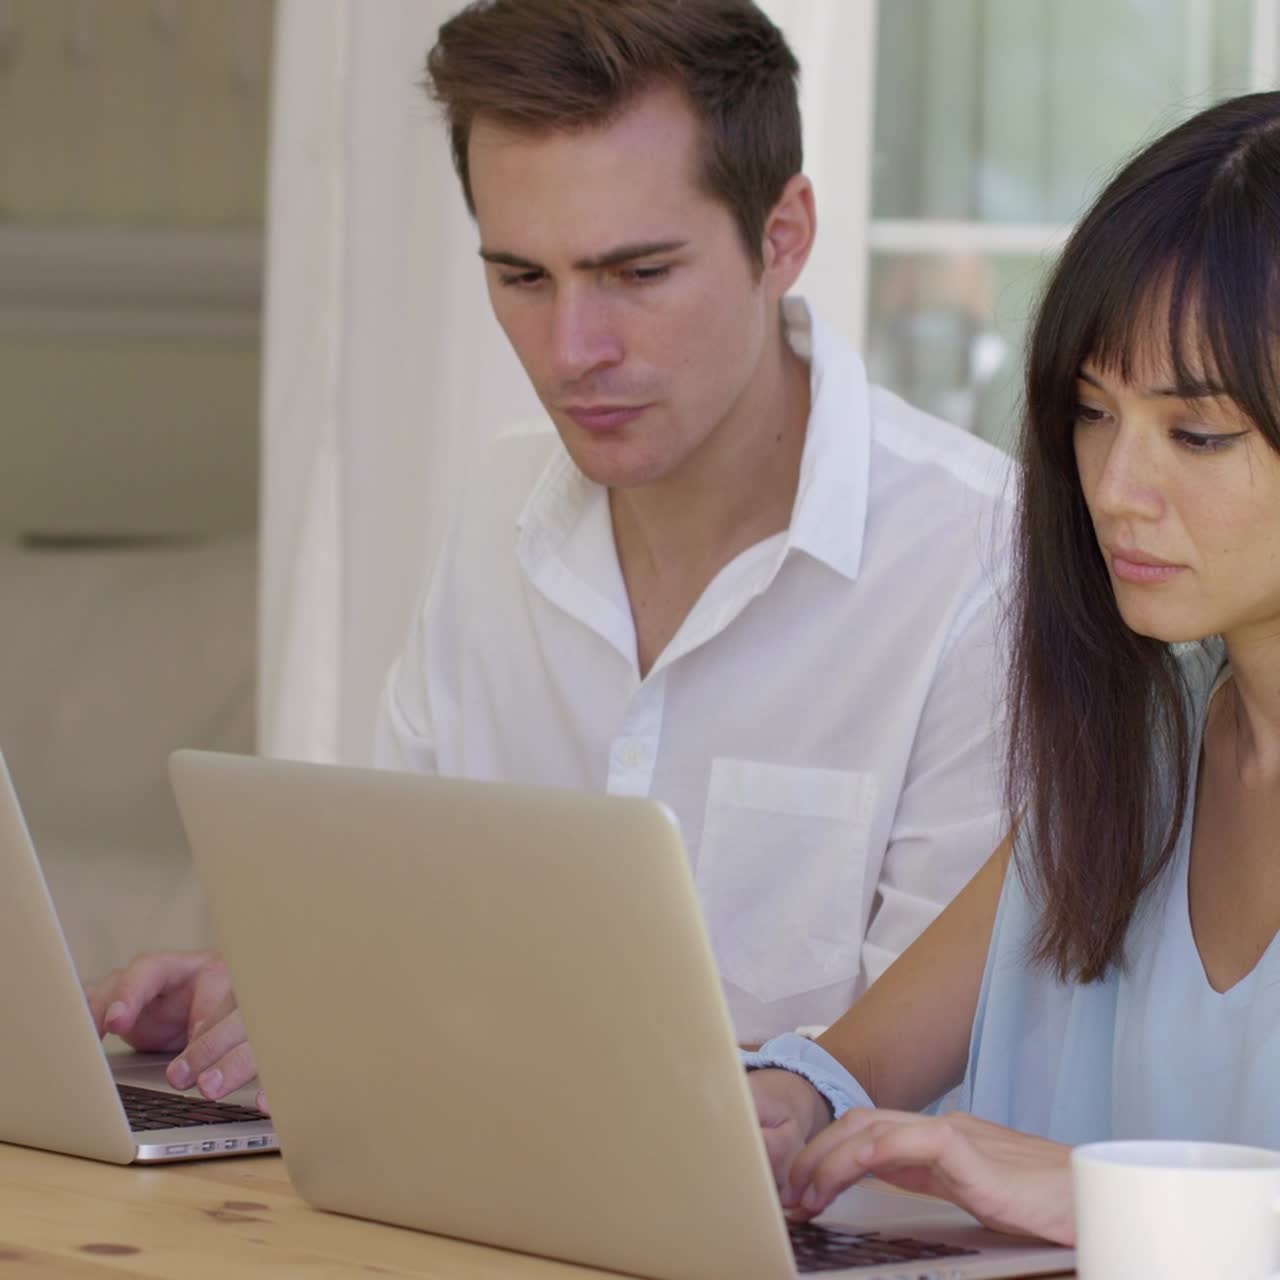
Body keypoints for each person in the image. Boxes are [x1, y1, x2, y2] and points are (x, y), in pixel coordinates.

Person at [87, 0, 1012, 1106]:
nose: (573, 351)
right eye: (522, 277)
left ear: (783, 237)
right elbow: (402, 927)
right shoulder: (493, 511)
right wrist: (293, 994)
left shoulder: (980, 562)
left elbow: (920, 1087)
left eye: (636, 273)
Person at [744, 88, 1280, 1246]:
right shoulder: (1140, 748)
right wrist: (771, 1108)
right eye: (1089, 413)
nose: (1112, 487)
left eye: (1195, 434)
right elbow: (850, 1068)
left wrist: (1111, 1193)